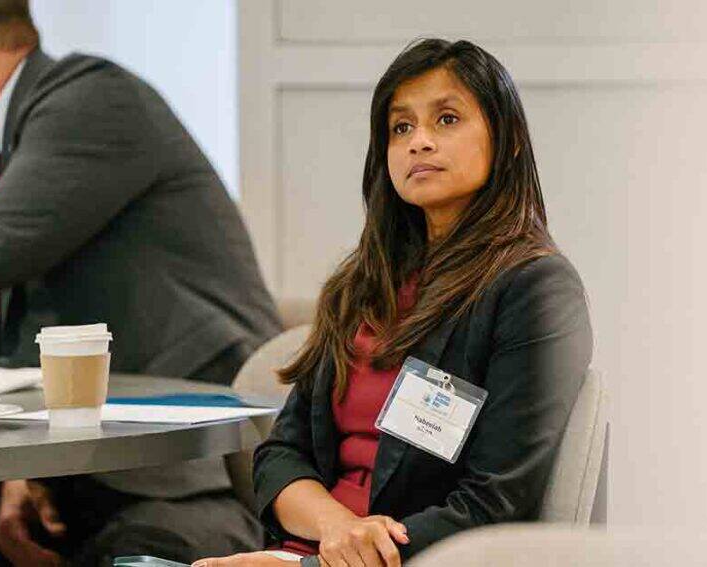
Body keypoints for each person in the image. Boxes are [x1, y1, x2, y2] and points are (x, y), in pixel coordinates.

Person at [0, 1, 282, 565]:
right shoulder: (30, 133)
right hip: (82, 469)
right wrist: (17, 473)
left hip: (182, 472)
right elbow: (39, 314)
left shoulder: (91, 100)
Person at [194, 39, 593, 567]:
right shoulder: (365, 282)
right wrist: (336, 530)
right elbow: (280, 455)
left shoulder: (536, 288)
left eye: (447, 119)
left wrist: (317, 564)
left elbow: (495, 504)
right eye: (401, 127)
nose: (419, 142)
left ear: (509, 141)